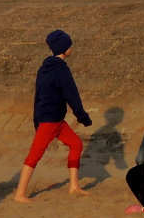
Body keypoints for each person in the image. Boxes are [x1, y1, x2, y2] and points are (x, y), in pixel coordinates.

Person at [14, 30, 92, 202]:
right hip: (49, 121)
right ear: (64, 49)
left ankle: (73, 186)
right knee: (34, 155)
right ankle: (19, 194)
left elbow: (38, 96)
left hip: (55, 120)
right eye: (69, 45)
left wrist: (37, 120)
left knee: (76, 144)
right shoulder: (61, 70)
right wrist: (83, 117)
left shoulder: (44, 69)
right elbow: (72, 96)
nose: (72, 47)